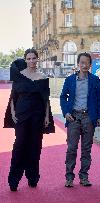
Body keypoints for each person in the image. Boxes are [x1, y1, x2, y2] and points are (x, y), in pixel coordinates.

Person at [4, 48, 55, 191]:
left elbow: (45, 99)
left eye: (34, 58)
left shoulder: (43, 77)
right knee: (19, 145)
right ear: (25, 60)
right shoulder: (19, 76)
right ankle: (14, 180)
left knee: (35, 146)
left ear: (38, 59)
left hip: (37, 115)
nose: (31, 61)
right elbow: (13, 96)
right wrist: (13, 112)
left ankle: (33, 177)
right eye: (29, 59)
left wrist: (46, 116)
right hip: (21, 115)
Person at [60, 52, 100, 187]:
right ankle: (69, 177)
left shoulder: (95, 80)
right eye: (82, 63)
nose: (84, 65)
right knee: (72, 148)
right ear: (78, 64)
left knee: (86, 149)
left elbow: (99, 100)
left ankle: (84, 177)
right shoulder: (70, 80)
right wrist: (66, 112)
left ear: (90, 64)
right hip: (73, 117)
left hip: (88, 117)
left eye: (87, 63)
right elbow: (63, 97)